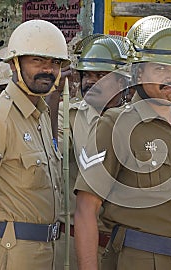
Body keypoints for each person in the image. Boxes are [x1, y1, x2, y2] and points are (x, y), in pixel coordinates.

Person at [74, 15, 171, 269]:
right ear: (137, 72)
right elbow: (86, 210)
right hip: (139, 260)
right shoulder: (114, 125)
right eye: (161, 68)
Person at [0, 19, 70, 269]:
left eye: (55, 62)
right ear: (15, 64)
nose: (47, 69)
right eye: (37, 61)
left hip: (45, 253)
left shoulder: (38, 115)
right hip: (10, 257)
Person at [55, 33, 131, 270]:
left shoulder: (137, 120)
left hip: (125, 248)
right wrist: (53, 99)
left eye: (100, 75)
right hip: (74, 245)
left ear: (121, 81)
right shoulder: (67, 116)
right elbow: (51, 151)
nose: (90, 81)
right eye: (86, 74)